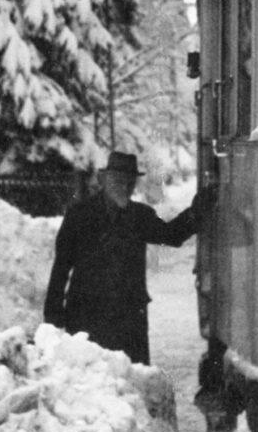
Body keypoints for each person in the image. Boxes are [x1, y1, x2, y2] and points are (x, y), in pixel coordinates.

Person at [44, 150, 209, 365]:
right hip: (88, 317)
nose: (124, 187)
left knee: (132, 385)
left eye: (130, 182)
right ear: (103, 180)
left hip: (129, 320)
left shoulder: (139, 216)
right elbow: (61, 267)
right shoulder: (79, 215)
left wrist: (196, 212)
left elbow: (171, 235)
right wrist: (53, 319)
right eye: (118, 180)